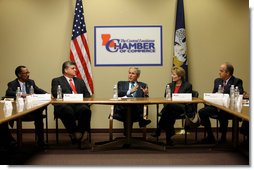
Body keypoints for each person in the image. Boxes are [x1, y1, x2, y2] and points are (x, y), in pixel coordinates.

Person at [198, 62, 244, 144]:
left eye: (221, 71)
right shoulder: (217, 81)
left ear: (228, 73)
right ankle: (210, 137)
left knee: (223, 113)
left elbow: (238, 94)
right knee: (202, 112)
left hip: (229, 108)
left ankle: (223, 137)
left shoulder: (237, 81)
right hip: (216, 107)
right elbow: (214, 93)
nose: (219, 72)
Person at [51, 61, 91, 149]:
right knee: (67, 110)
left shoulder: (80, 81)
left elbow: (87, 95)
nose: (75, 70)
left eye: (75, 68)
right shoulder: (57, 80)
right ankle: (75, 132)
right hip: (65, 105)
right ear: (65, 70)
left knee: (85, 110)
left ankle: (79, 133)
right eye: (73, 68)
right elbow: (55, 94)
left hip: (79, 105)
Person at [5, 65, 47, 148]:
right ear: (19, 75)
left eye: (28, 72)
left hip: (30, 110)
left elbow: (38, 90)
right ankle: (11, 142)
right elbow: (9, 93)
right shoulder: (12, 83)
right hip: (18, 110)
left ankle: (40, 141)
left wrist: (47, 94)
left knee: (39, 115)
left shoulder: (31, 82)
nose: (28, 74)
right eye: (26, 73)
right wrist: (21, 94)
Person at [151, 66, 193, 145]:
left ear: (180, 76)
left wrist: (173, 102)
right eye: (172, 74)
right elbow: (166, 99)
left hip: (182, 107)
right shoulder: (169, 85)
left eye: (174, 75)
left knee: (168, 109)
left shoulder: (188, 85)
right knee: (169, 112)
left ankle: (158, 129)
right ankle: (168, 138)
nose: (172, 76)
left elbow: (187, 99)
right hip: (171, 109)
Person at [113, 67, 151, 135]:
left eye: (133, 73)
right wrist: (130, 91)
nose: (130, 75)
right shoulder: (121, 83)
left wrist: (145, 94)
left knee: (130, 110)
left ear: (138, 76)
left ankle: (127, 136)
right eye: (129, 73)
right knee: (128, 106)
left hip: (137, 110)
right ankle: (141, 120)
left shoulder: (142, 85)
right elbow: (119, 94)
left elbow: (146, 100)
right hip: (122, 109)